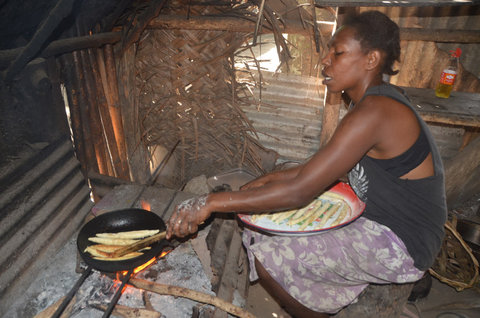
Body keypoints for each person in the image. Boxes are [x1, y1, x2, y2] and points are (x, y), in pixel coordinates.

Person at [165, 10, 447, 317]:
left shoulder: (375, 111)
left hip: (403, 241)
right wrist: (269, 179)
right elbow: (324, 166)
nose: (325, 61)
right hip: (387, 222)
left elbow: (300, 191)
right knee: (265, 228)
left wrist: (210, 202)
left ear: (370, 60)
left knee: (265, 252)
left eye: (337, 53)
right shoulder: (372, 102)